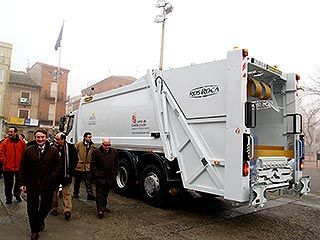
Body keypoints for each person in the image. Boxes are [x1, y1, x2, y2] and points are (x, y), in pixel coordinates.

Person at [19, 129, 62, 240]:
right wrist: (22, 183)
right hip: (32, 183)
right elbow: (23, 167)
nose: (40, 139)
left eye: (42, 137)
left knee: (47, 205)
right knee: (32, 208)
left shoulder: (53, 151)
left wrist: (52, 177)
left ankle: (39, 220)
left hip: (47, 183)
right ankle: (34, 230)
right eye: (38, 137)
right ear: (35, 138)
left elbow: (58, 165)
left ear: (46, 137)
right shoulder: (28, 150)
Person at [51, 132, 78, 221]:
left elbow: (75, 160)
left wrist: (71, 171)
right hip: (54, 175)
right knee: (54, 193)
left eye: (58, 139)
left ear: (63, 139)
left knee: (66, 193)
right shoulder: (52, 148)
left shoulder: (70, 148)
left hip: (66, 175)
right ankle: (54, 208)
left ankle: (67, 210)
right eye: (55, 139)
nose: (56, 141)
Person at [91, 137, 118, 219]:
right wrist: (96, 175)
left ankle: (104, 206)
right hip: (100, 177)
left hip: (109, 177)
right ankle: (100, 210)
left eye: (108, 145)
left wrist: (115, 173)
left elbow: (116, 163)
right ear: (102, 144)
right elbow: (93, 165)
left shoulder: (114, 151)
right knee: (99, 193)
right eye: (105, 145)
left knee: (106, 193)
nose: (107, 147)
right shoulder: (96, 152)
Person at [0, 126, 26, 204]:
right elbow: (1, 153)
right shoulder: (5, 142)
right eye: (9, 132)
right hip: (7, 168)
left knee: (18, 183)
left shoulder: (22, 142)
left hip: (19, 167)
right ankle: (8, 197)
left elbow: (25, 153)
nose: (9, 133)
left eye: (11, 132)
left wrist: (23, 163)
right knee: (8, 184)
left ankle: (17, 194)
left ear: (16, 133)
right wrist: (5, 162)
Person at [73, 132, 96, 200]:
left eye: (90, 137)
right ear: (85, 137)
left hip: (87, 166)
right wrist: (76, 162)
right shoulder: (79, 144)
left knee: (88, 181)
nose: (90, 138)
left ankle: (90, 195)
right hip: (79, 166)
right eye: (89, 137)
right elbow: (74, 153)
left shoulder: (92, 145)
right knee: (77, 181)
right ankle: (76, 193)